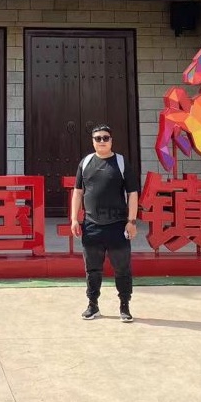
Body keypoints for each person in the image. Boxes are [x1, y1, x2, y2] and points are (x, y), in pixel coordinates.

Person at [71, 124, 139, 323]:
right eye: (98, 138)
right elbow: (78, 192)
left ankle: (124, 306)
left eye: (105, 138)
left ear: (111, 140)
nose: (102, 141)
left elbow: (132, 193)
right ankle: (92, 305)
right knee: (92, 269)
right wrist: (74, 218)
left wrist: (131, 221)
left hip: (117, 226)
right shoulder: (85, 163)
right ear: (93, 141)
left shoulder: (121, 162)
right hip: (92, 226)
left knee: (122, 269)